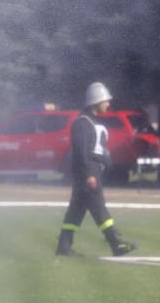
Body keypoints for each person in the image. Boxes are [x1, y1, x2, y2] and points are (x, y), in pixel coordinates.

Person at [55, 82, 137, 257]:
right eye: (105, 101)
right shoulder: (82, 123)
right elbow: (81, 152)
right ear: (96, 101)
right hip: (88, 174)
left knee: (76, 211)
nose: (108, 104)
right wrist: (89, 174)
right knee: (99, 208)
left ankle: (64, 245)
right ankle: (116, 243)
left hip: (90, 173)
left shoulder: (90, 121)